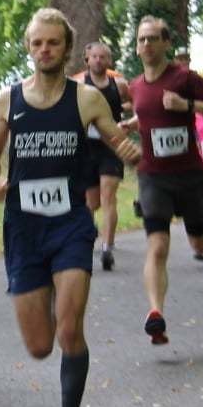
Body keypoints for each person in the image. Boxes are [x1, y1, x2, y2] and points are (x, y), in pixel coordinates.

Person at [0, 8, 128, 407]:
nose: (45, 50)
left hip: (70, 224)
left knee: (68, 330)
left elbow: (117, 140)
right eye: (37, 43)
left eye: (53, 43)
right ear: (29, 48)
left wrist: (132, 151)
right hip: (24, 228)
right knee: (40, 345)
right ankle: (41, 292)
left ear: (67, 49)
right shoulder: (8, 100)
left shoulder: (86, 99)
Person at [111, 16, 203, 348]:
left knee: (199, 242)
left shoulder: (184, 78)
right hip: (153, 176)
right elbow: (148, 111)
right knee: (157, 246)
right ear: (136, 47)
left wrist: (187, 105)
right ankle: (156, 313)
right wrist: (133, 124)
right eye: (141, 40)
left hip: (189, 176)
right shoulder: (135, 85)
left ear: (166, 43)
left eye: (153, 38)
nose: (146, 44)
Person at [77, 41, 131, 271]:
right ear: (87, 60)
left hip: (112, 146)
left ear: (109, 61)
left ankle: (107, 248)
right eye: (94, 57)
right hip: (87, 148)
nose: (98, 60)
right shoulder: (79, 85)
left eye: (103, 57)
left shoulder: (119, 85)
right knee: (91, 202)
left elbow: (133, 104)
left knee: (109, 196)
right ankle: (87, 239)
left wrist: (126, 122)